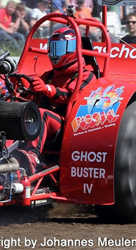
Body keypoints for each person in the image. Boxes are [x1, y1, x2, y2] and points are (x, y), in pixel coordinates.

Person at [17, 27, 96, 174]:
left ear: (72, 50)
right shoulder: (49, 75)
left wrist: (47, 89)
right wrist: (27, 91)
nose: (55, 53)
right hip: (46, 120)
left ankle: (32, 156)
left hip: (67, 124)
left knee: (40, 114)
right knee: (19, 108)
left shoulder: (86, 76)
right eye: (53, 48)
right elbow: (35, 95)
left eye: (59, 48)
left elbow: (70, 96)